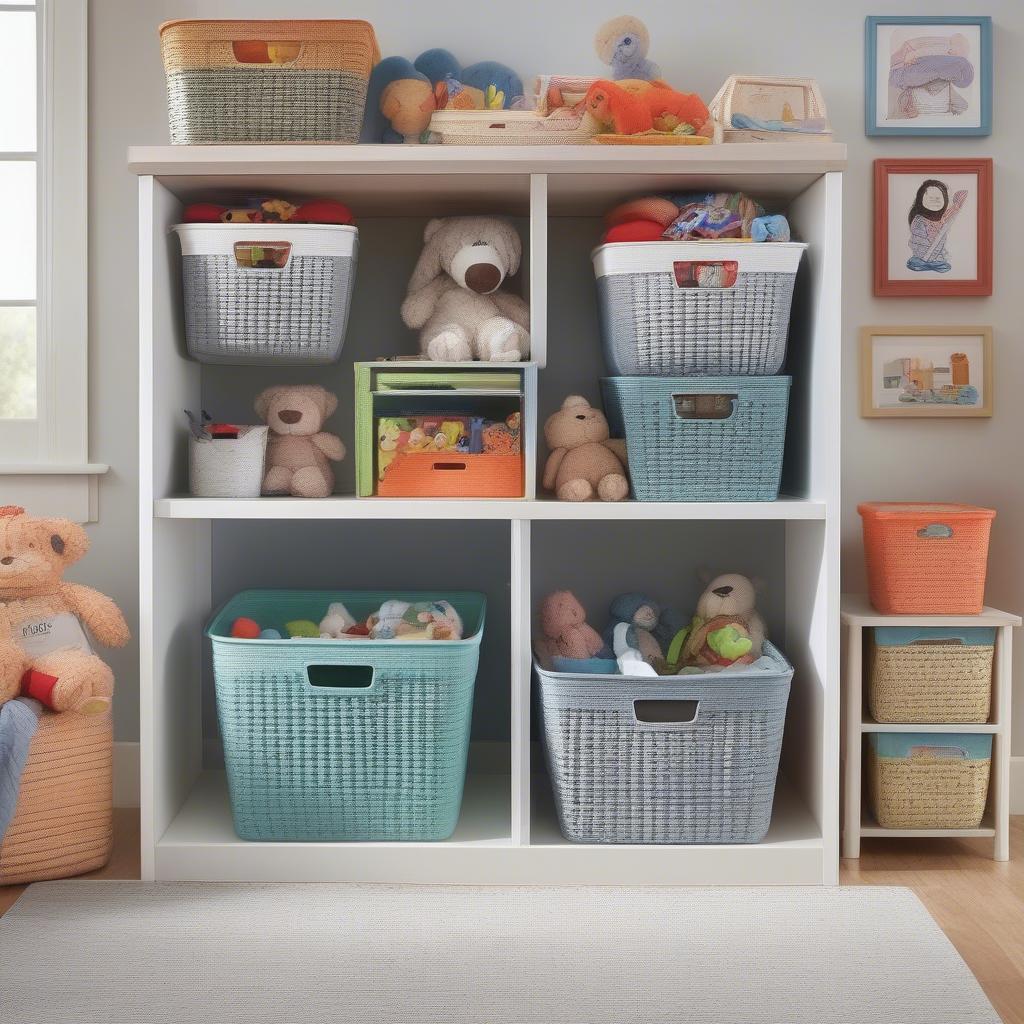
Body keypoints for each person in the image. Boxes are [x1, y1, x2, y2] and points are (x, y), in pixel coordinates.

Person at [906, 179, 966, 273]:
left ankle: (932, 263)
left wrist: (957, 204)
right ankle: (923, 263)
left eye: (938, 198)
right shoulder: (918, 220)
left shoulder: (943, 219)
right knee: (916, 263)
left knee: (944, 266)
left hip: (936, 259)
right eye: (930, 198)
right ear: (920, 199)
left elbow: (953, 211)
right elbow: (919, 241)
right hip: (920, 256)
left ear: (945, 200)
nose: (934, 201)